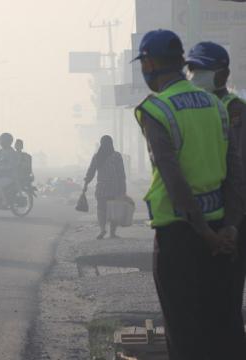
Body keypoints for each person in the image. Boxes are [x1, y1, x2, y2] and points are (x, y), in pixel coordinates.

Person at [133, 30, 244, 359]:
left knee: (185, 333)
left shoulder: (156, 110)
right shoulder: (217, 105)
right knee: (225, 327)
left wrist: (204, 233)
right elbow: (235, 173)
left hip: (180, 237)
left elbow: (174, 180)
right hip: (223, 234)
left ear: (149, 64)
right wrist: (230, 228)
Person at [186, 41, 246, 358]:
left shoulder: (234, 110)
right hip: (200, 218)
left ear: (222, 73)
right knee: (197, 302)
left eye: (203, 70)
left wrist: (232, 225)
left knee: (226, 302)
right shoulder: (191, 109)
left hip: (231, 218)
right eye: (193, 69)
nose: (196, 75)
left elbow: (238, 174)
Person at [83, 136, 126, 239]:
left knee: (101, 209)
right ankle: (112, 233)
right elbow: (121, 174)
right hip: (114, 187)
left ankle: (102, 229)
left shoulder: (97, 156)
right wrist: (123, 188)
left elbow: (91, 171)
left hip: (101, 187)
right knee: (113, 210)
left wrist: (86, 183)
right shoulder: (116, 156)